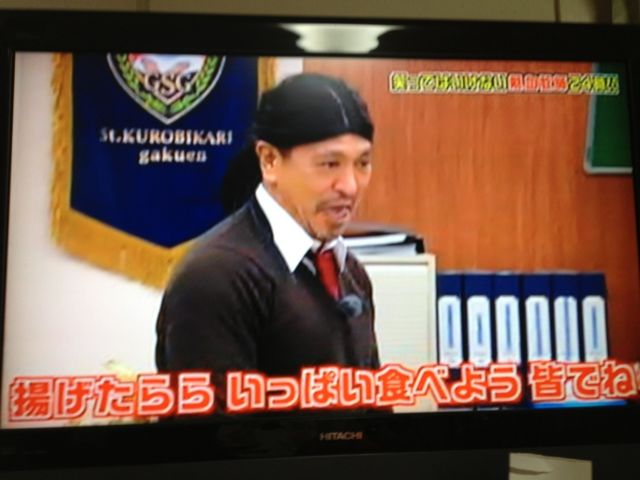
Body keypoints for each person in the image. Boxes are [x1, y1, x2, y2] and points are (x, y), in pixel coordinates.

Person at [155, 73, 380, 412]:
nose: (350, 185)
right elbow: (217, 436)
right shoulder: (216, 276)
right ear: (270, 161)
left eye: (362, 163)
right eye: (329, 164)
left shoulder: (350, 271)